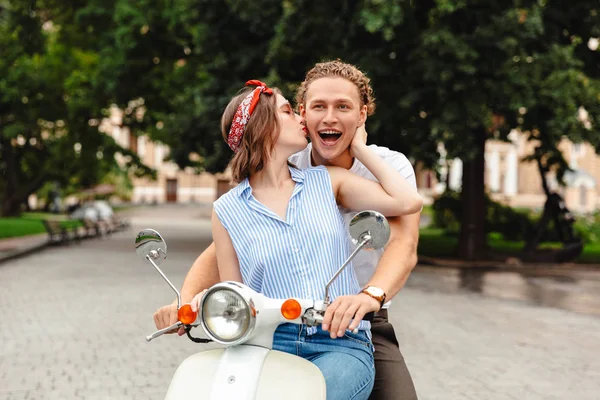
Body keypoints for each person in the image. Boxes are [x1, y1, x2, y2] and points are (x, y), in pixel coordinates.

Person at [154, 61, 421, 400]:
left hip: (357, 316)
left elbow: (404, 242)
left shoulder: (375, 169)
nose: (329, 117)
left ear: (362, 114)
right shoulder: (275, 177)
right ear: (302, 114)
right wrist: (187, 301)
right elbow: (229, 256)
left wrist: (368, 297)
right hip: (276, 328)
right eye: (317, 107)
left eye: (343, 107)